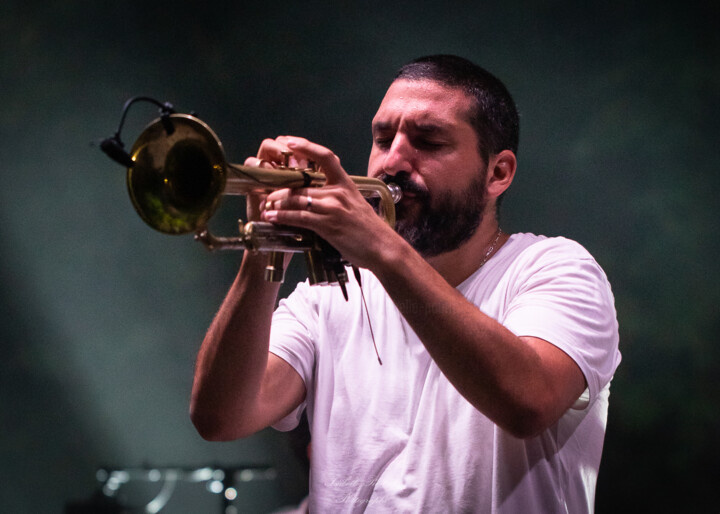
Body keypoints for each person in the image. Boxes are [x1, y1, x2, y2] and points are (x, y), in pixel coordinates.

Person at [189, 55, 621, 513]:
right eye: (382, 138)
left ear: (498, 173)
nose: (392, 160)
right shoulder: (328, 294)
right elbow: (221, 417)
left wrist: (383, 251)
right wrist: (263, 254)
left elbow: (528, 403)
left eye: (429, 141)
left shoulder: (556, 270)